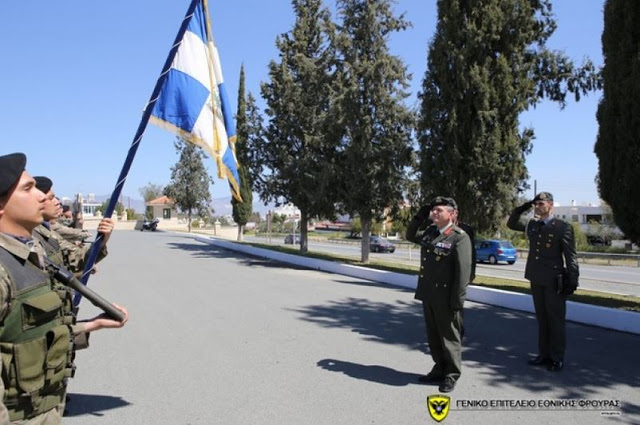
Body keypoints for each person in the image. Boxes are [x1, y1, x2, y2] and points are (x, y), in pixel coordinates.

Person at [0, 152, 128, 424]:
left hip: (45, 408)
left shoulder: (33, 253)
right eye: (28, 188)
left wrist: (92, 325)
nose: (42, 197)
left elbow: (37, 333)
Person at [406, 196, 472, 393]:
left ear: (452, 214)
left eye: (439, 210)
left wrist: (457, 301)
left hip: (446, 297)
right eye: (433, 210)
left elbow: (463, 273)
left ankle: (451, 375)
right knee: (433, 336)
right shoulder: (430, 232)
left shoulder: (459, 237)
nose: (434, 213)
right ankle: (439, 368)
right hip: (429, 293)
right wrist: (420, 216)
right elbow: (410, 235)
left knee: (449, 337)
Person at [507, 192, 579, 372]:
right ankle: (543, 355)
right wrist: (522, 207)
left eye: (541, 203)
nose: (538, 207)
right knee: (542, 319)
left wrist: (573, 279)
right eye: (536, 204)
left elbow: (571, 257)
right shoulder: (532, 225)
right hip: (536, 277)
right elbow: (512, 223)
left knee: (555, 320)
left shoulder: (562, 227)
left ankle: (557, 358)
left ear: (551, 205)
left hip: (554, 281)